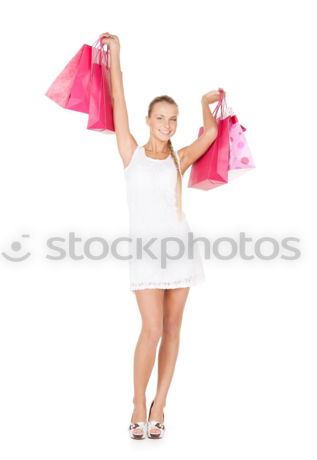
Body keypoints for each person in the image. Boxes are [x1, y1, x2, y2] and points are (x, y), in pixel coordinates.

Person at [99, 32, 222, 439]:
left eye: (173, 119)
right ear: (149, 121)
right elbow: (118, 99)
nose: (168, 125)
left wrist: (206, 103)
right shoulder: (130, 152)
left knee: (172, 329)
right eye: (161, 118)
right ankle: (138, 402)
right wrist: (117, 54)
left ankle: (160, 405)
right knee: (150, 329)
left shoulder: (177, 157)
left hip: (180, 250)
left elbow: (209, 135)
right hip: (146, 253)